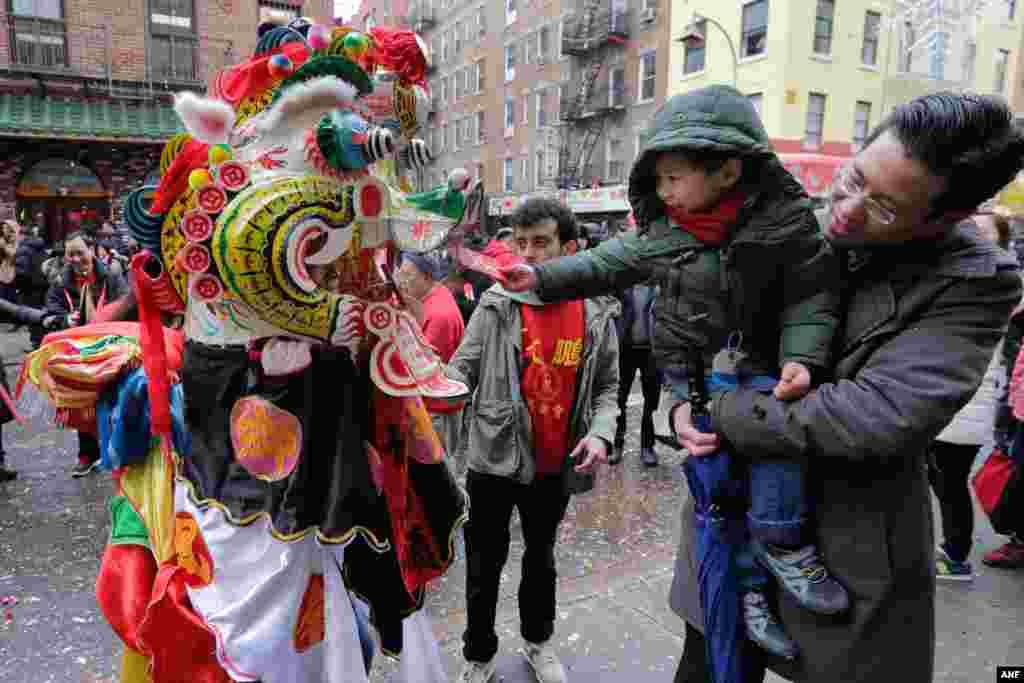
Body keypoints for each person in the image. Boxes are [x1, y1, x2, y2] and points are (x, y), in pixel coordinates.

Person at [669, 93, 1023, 682]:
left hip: (847, 549)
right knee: (707, 664)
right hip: (726, 516)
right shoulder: (782, 225)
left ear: (945, 219)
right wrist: (682, 399)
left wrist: (721, 409)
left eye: (883, 207)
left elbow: (877, 415)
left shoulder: (974, 279)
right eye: (854, 178)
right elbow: (697, 326)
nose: (847, 211)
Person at [500, 85, 846, 660]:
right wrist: (540, 279)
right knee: (718, 497)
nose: (664, 192)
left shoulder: (789, 227)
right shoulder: (666, 234)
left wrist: (801, 359)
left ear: (729, 171)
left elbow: (811, 299)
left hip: (765, 381)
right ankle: (752, 598)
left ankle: (786, 551)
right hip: (698, 386)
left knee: (774, 479)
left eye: (676, 178)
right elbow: (603, 264)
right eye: (657, 180)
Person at [448, 197, 620, 683]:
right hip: (493, 459)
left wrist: (602, 432)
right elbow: (462, 369)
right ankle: (478, 657)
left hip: (555, 463)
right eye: (520, 242)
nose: (527, 252)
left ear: (570, 246)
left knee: (541, 560)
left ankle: (538, 643)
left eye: (540, 242)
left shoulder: (595, 310)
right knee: (483, 563)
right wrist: (428, 387)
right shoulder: (496, 303)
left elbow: (609, 386)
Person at [927, 213, 1012, 581]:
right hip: (952, 400)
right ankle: (952, 549)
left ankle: (956, 555)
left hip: (966, 402)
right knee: (942, 480)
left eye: (982, 230)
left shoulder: (993, 282)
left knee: (949, 482)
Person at [44, 231, 128, 477]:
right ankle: (87, 454)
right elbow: (51, 308)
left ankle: (115, 451)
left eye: (79, 252)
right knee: (82, 402)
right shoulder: (60, 281)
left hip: (110, 347)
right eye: (70, 254)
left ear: (91, 249)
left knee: (114, 399)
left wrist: (108, 318)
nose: (75, 259)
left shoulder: (111, 276)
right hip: (78, 351)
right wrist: (64, 319)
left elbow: (126, 304)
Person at [396, 251, 467, 459]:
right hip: (434, 408)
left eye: (408, 276)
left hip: (437, 411)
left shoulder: (438, 315)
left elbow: (426, 371)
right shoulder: (432, 297)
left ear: (427, 277)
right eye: (401, 275)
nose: (403, 282)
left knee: (436, 471)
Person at [612, 276, 661, 467]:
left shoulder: (659, 286)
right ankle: (616, 444)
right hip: (625, 349)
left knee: (652, 400)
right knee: (618, 398)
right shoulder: (620, 285)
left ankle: (647, 446)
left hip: (652, 350)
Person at [14, 224, 51, 347]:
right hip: (43, 285)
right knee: (42, 313)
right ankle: (42, 339)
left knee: (31, 315)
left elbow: (21, 272)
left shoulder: (23, 249)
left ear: (22, 235)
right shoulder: (41, 246)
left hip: (29, 288)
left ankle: (36, 341)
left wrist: (18, 286)